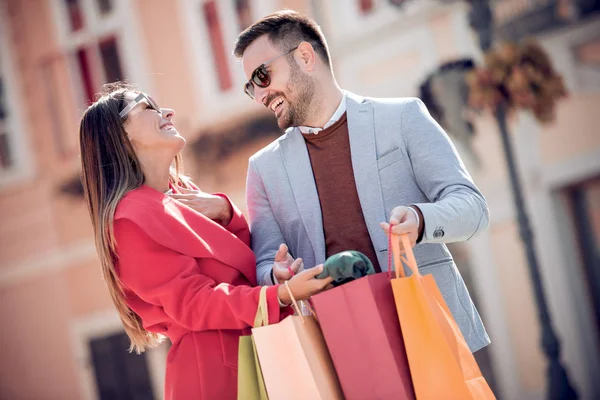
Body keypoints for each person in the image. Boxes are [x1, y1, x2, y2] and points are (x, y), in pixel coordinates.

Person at [234, 10, 491, 352]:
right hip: (345, 354)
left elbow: (473, 208)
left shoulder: (402, 117)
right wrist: (276, 274)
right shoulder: (263, 170)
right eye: (250, 87)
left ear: (305, 57)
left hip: (435, 335)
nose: (260, 95)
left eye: (263, 76)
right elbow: (265, 264)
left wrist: (420, 219)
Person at [78, 82, 333, 399]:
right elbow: (194, 303)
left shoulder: (183, 194)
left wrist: (231, 216)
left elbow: (236, 268)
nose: (167, 112)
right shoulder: (129, 218)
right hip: (213, 374)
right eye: (147, 107)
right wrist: (278, 295)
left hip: (256, 355)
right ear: (120, 134)